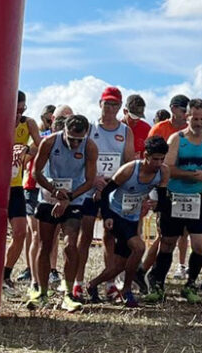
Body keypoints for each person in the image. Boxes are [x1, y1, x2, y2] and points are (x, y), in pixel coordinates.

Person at [143, 98, 202, 303]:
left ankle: (190, 284)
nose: (199, 123)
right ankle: (157, 282)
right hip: (175, 195)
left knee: (200, 245)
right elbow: (167, 168)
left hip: (199, 197)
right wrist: (192, 175)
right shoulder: (177, 139)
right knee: (167, 243)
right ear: (187, 117)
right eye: (195, 118)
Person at [86, 136, 169, 307]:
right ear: (145, 155)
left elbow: (163, 200)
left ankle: (92, 285)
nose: (158, 163)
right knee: (139, 248)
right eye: (155, 159)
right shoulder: (129, 170)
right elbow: (105, 193)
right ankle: (127, 289)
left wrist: (157, 204)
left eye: (162, 159)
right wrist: (107, 216)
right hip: (116, 214)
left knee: (119, 266)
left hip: (132, 217)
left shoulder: (163, 172)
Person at [29, 114, 97, 311]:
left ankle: (68, 292)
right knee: (45, 245)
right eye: (71, 138)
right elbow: (36, 172)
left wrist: (68, 198)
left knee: (70, 245)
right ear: (64, 131)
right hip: (49, 197)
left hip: (74, 198)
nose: (75, 143)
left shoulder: (90, 147)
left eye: (79, 140)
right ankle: (41, 292)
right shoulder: (50, 142)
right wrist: (54, 192)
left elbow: (90, 180)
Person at [74, 86, 135, 300]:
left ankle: (109, 283)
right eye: (106, 103)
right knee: (86, 235)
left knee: (110, 236)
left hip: (113, 190)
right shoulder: (90, 128)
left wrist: (114, 180)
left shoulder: (125, 131)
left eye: (114, 104)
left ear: (120, 107)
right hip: (91, 188)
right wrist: (95, 178)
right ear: (100, 104)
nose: (110, 108)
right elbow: (80, 157)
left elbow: (128, 160)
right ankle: (78, 282)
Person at [142, 95, 191, 286]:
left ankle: (148, 270)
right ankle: (146, 270)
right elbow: (148, 155)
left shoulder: (189, 131)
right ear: (172, 109)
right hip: (161, 183)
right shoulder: (160, 128)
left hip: (183, 185)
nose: (185, 113)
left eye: (187, 110)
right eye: (182, 109)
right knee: (165, 232)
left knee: (177, 232)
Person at [3, 91, 42, 297]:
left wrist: (25, 149)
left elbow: (40, 146)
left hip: (16, 186)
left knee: (20, 232)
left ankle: (5, 275)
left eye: (22, 109)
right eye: (16, 109)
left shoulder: (28, 123)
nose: (19, 113)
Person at [123, 94, 151, 159]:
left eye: (138, 117)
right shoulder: (115, 128)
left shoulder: (147, 129)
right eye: (133, 117)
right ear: (125, 112)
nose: (135, 120)